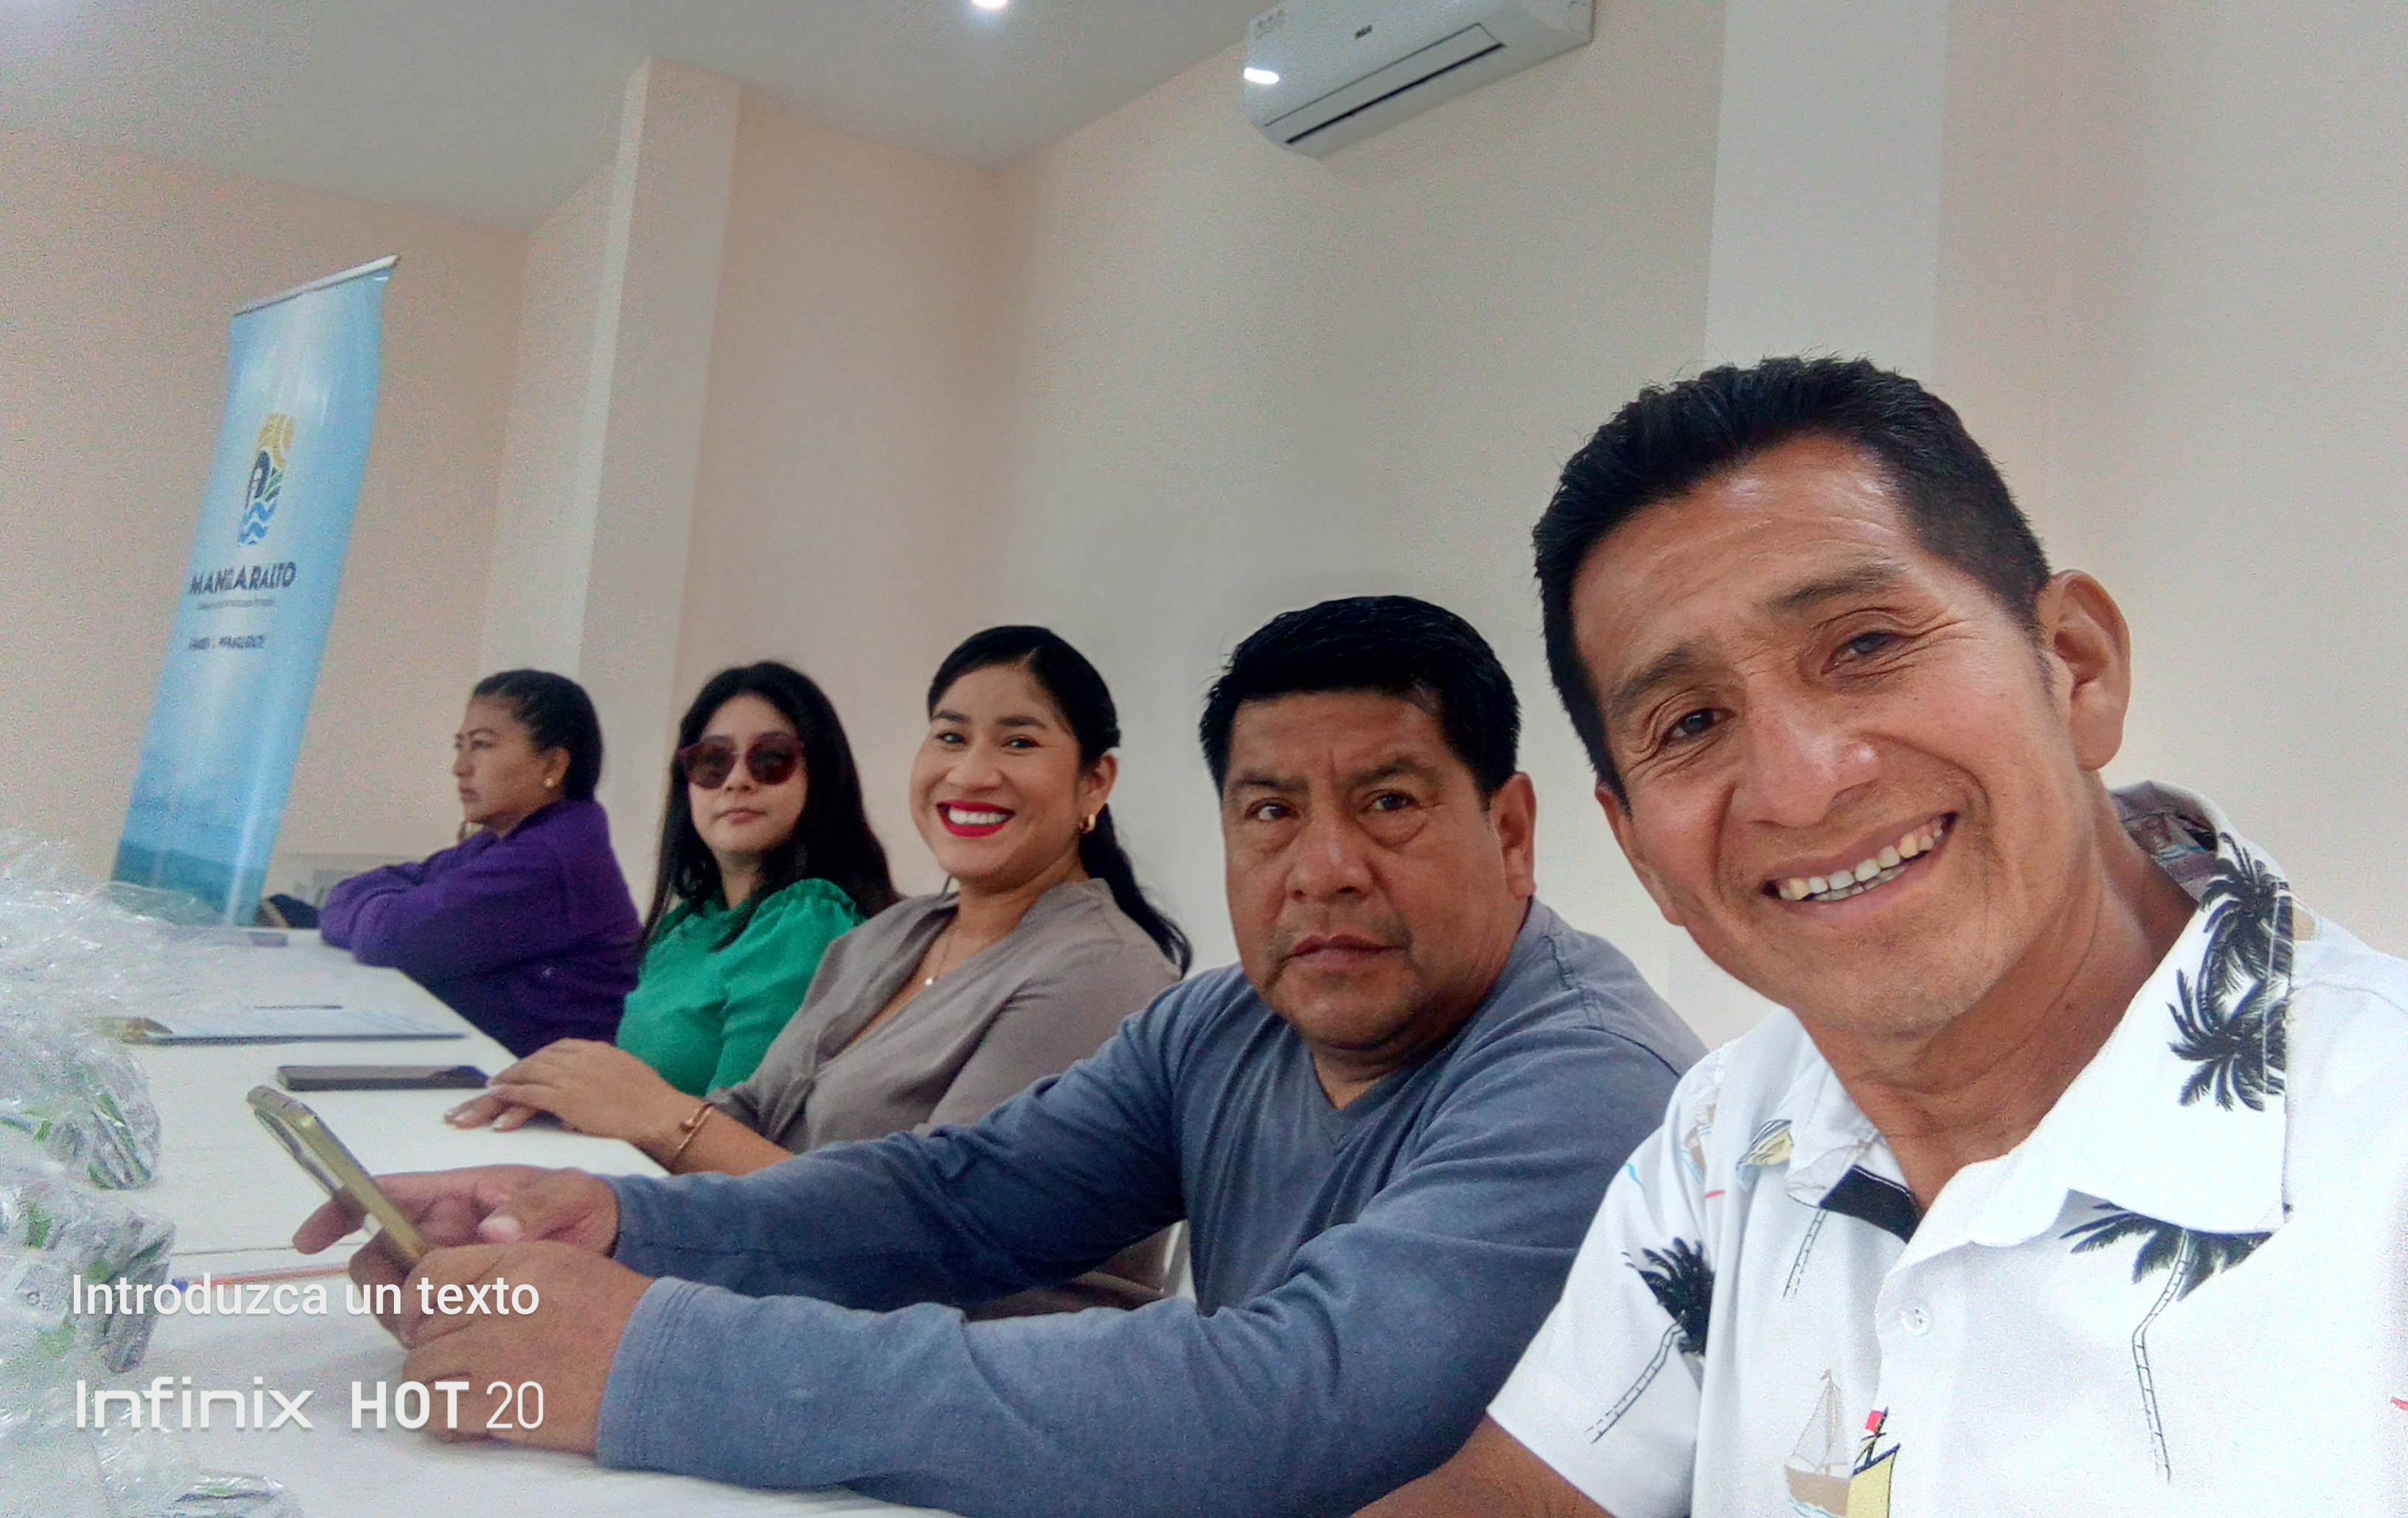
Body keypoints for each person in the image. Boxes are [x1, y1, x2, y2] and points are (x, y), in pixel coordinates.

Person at [295, 596, 1701, 1518]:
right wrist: (618, 1222)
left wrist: (658, 1355)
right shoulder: (1217, 1024)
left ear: (1509, 831)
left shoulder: (1587, 1085)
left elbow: (1286, 1412)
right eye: (1269, 811)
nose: (1321, 865)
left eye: (1386, 801)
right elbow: (955, 1197)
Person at [1363, 358, 2408, 1518]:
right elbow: (1521, 1493)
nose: (1802, 786)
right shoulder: (1725, 1135)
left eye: (1864, 645)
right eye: (1692, 722)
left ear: (2076, 667)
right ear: (1641, 854)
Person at [442, 630, 1183, 1192]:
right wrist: (581, 1113)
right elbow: (753, 1107)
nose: (970, 772)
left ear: (1095, 782)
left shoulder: (1098, 971)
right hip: (778, 1282)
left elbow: (939, 1227)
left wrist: (656, 1115)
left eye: (1018, 742)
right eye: (951, 737)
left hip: (932, 1340)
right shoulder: (893, 937)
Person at [446, 661, 896, 1120]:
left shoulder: (806, 919)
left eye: (771, 760)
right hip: (628, 1158)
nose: (737, 780)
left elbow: (740, 1130)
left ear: (821, 777)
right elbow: (632, 1094)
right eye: (713, 761)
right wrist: (551, 1100)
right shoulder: (691, 923)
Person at [319, 669, 638, 1057]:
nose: (460, 767)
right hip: (496, 1065)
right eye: (460, 747)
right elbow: (356, 896)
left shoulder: (550, 857)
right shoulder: (504, 840)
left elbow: (387, 938)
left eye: (481, 745)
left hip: (545, 1084)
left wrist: (378, 910)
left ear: (553, 765)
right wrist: (379, 908)